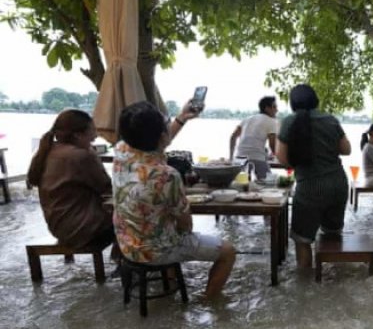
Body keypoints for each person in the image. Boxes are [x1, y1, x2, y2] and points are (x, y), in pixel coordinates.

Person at [113, 101, 236, 298]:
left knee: (164, 227)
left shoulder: (121, 151)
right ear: (162, 135)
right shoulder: (166, 175)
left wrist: (181, 118)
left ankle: (170, 283)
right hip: (155, 252)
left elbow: (157, 142)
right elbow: (185, 223)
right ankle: (210, 302)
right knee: (228, 251)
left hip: (125, 245)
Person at [276, 84, 351, 268]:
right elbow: (346, 149)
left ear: (293, 103)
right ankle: (334, 281)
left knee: (303, 240)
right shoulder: (331, 119)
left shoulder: (289, 122)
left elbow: (283, 160)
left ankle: (305, 286)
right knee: (332, 235)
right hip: (337, 184)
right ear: (315, 100)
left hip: (309, 188)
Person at [27, 109, 118, 258]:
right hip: (83, 230)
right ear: (77, 135)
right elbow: (107, 188)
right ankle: (124, 266)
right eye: (92, 131)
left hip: (59, 227)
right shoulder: (81, 155)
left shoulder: (48, 151)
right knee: (133, 215)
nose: (95, 137)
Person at [229, 96, 279, 179]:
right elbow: (272, 145)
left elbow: (233, 137)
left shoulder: (247, 119)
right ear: (267, 108)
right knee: (267, 184)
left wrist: (231, 158)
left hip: (239, 158)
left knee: (242, 184)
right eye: (274, 107)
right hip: (257, 158)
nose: (277, 110)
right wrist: (278, 157)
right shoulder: (271, 121)